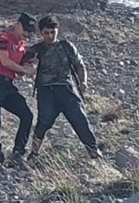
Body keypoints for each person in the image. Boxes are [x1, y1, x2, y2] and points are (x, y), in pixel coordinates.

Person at [24, 14, 103, 161]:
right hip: (46, 90)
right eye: (46, 33)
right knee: (44, 121)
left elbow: (80, 66)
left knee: (79, 119)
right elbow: (26, 70)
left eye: (53, 32)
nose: (50, 36)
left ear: (57, 31)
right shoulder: (34, 50)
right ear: (41, 33)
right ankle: (34, 153)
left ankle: (93, 150)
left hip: (66, 88)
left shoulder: (66, 46)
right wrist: (31, 66)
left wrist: (83, 82)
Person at [0, 13, 37, 168]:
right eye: (25, 30)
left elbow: (17, 70)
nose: (26, 34)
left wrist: (29, 66)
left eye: (29, 32)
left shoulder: (21, 47)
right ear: (17, 25)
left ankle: (18, 151)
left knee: (26, 115)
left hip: (7, 86)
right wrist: (25, 70)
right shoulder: (3, 39)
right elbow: (5, 61)